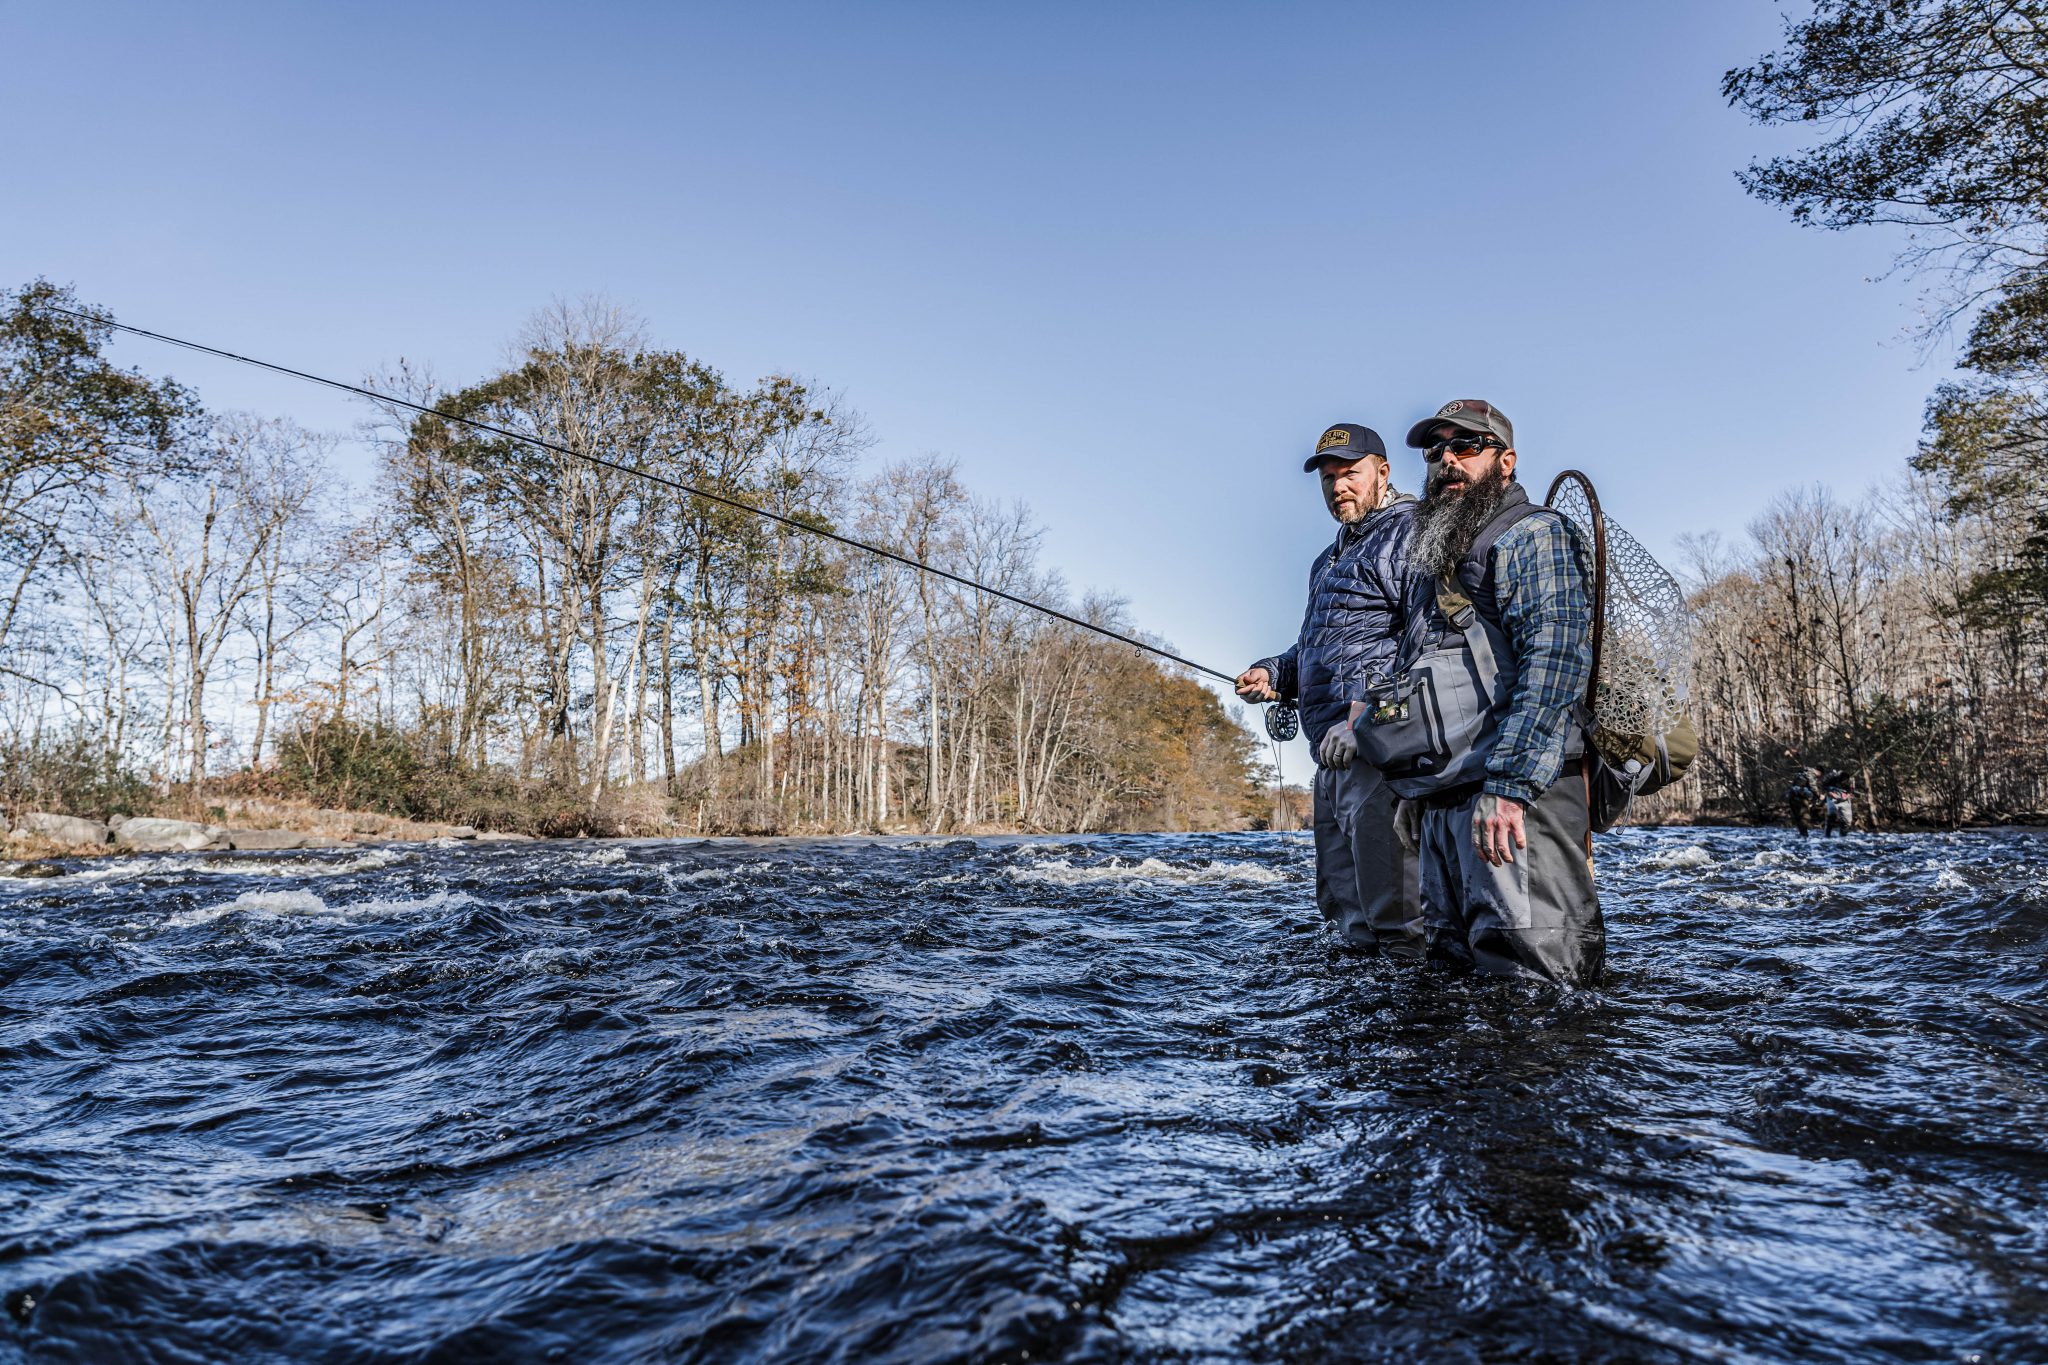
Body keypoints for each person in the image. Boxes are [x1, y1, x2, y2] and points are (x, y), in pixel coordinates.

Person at [1384, 399, 1603, 985]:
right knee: (1453, 985)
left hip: (1516, 801)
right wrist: (1417, 787)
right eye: (1436, 451)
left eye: (1466, 447)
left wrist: (1510, 787)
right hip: (1447, 802)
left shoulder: (1536, 534)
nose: (1447, 460)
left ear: (1506, 461)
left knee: (1535, 992)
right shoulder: (1435, 558)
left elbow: (1554, 665)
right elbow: (1422, 681)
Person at [1236, 423, 1424, 956]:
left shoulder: (1411, 534)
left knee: (1398, 916)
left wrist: (1362, 721)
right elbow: (1316, 649)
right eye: (1328, 478)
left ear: (1382, 473)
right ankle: (1356, 1026)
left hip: (1382, 753)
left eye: (1350, 474)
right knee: (1346, 915)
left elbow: (1423, 644)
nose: (1338, 486)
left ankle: (1414, 1028)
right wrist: (1274, 673)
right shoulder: (1327, 560)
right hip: (1329, 756)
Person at [1786, 765, 1819, 837]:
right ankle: (1804, 835)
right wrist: (1818, 795)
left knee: (1798, 817)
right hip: (1800, 797)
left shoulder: (1801, 773)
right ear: (1818, 771)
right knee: (1805, 817)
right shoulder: (1811, 774)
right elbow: (1813, 787)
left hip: (1792, 796)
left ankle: (1802, 835)